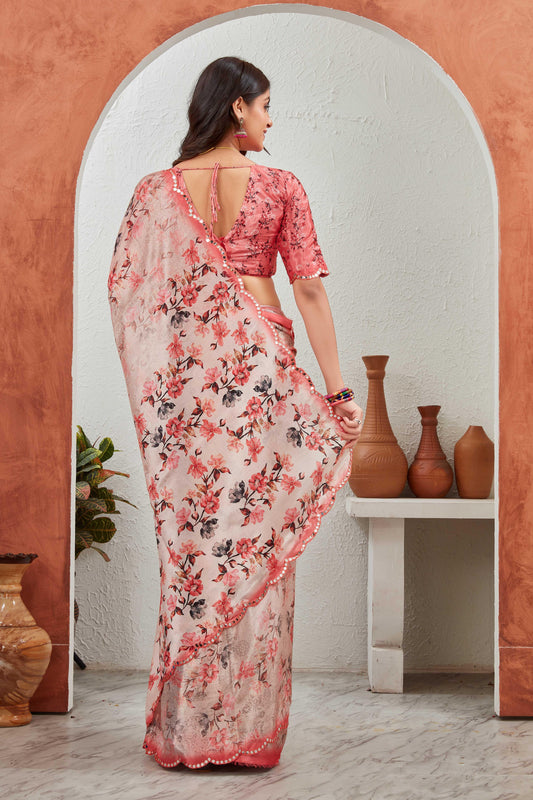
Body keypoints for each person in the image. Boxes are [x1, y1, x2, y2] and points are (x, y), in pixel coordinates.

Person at [108, 56, 364, 770]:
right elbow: (308, 290)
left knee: (198, 539)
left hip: (191, 381)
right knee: (254, 527)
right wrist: (338, 391)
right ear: (237, 108)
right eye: (265, 106)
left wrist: (167, 382)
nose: (271, 119)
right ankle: (243, 735)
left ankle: (189, 731)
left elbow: (133, 295)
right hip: (257, 371)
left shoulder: (154, 191)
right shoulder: (279, 185)